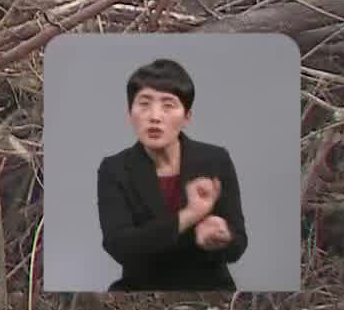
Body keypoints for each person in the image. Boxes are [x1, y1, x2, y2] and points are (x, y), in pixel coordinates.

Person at [96, 58, 248, 291]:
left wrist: (221, 236)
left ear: (187, 117)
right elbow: (120, 246)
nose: (154, 116)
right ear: (129, 114)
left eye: (168, 105)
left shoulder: (214, 160)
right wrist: (189, 215)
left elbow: (237, 246)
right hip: (141, 291)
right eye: (144, 104)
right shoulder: (114, 169)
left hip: (208, 289)